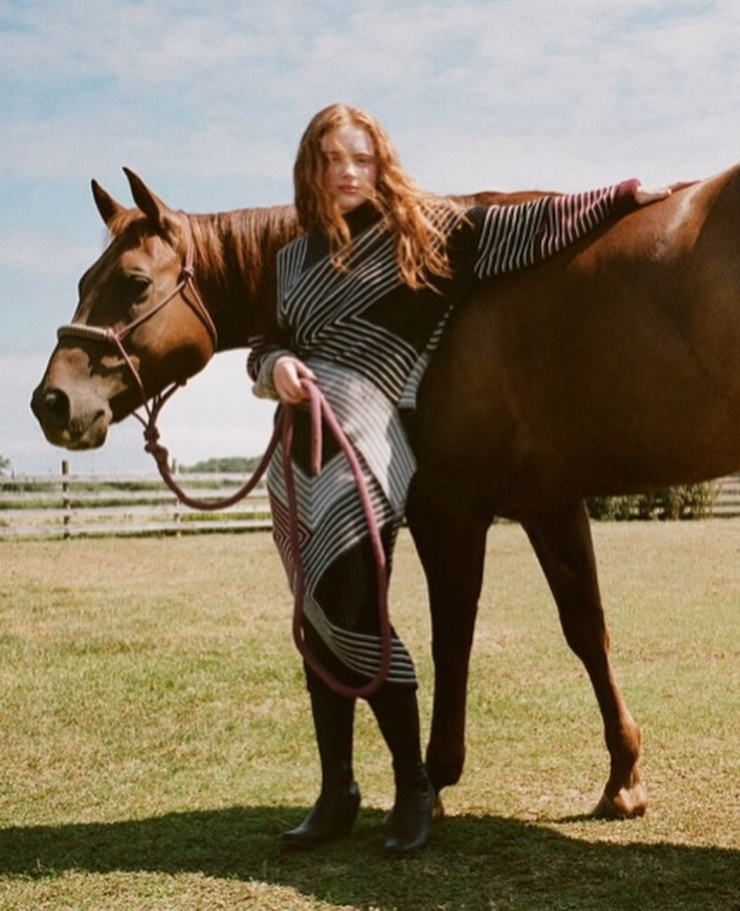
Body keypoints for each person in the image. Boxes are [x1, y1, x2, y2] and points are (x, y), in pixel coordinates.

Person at [247, 103, 670, 855]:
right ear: (311, 171)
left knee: (355, 606)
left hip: (374, 437)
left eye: (361, 159)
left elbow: (520, 228)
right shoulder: (289, 260)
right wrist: (272, 364)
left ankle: (414, 781)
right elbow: (271, 341)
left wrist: (616, 197)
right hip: (302, 447)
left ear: (380, 165)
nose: (347, 172)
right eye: (332, 160)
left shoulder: (421, 234)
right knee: (316, 616)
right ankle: (335, 788)